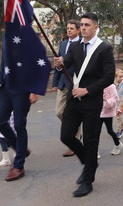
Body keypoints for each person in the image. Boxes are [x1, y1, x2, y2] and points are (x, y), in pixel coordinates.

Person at [54, 12, 116, 198]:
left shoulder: (104, 48)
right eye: (81, 24)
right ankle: (90, 163)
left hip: (91, 100)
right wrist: (59, 63)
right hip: (74, 98)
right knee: (66, 135)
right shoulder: (75, 46)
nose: (83, 28)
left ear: (96, 27)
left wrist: (87, 90)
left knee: (90, 140)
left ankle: (88, 180)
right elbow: (67, 63)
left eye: (87, 25)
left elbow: (108, 77)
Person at [53, 20, 81, 157]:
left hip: (75, 83)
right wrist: (55, 81)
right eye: (68, 28)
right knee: (59, 112)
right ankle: (73, 131)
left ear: (78, 30)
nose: (69, 30)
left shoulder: (82, 44)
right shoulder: (63, 44)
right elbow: (58, 63)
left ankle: (75, 139)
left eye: (72, 28)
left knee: (73, 112)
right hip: (63, 83)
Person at [99, 82, 122, 158]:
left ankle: (118, 144)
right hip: (98, 112)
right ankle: (94, 150)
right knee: (96, 132)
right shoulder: (97, 85)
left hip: (107, 113)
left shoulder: (111, 86)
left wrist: (106, 101)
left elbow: (115, 99)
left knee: (109, 130)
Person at [114, 69, 123, 138]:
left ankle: (119, 131)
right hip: (115, 104)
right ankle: (122, 129)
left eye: (122, 77)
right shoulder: (113, 84)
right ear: (115, 77)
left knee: (118, 118)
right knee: (119, 118)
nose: (121, 78)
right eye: (120, 77)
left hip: (121, 105)